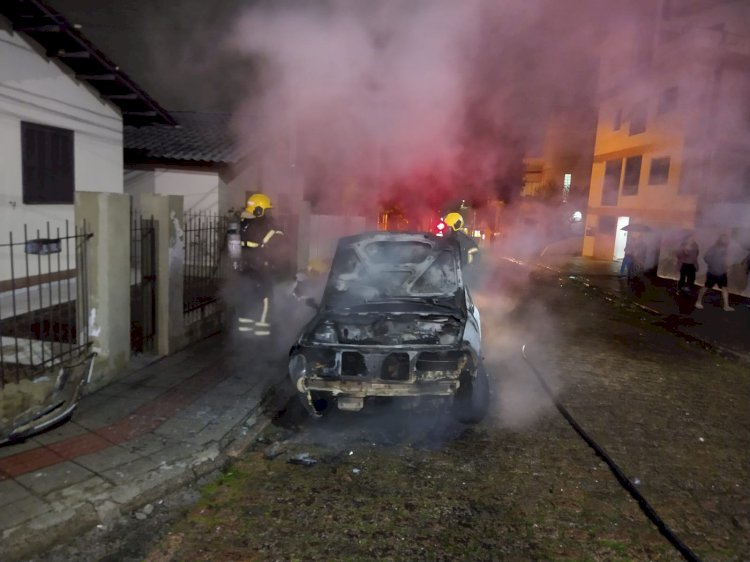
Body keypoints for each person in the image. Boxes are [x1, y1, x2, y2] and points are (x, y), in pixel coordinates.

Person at [237, 193, 285, 336]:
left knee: (248, 295)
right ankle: (263, 328)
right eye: (266, 210)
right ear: (258, 210)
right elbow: (279, 245)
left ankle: (244, 329)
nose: (268, 213)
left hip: (245, 267)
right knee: (266, 297)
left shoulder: (242, 224)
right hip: (261, 268)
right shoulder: (263, 227)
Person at [695, 233, 734, 311]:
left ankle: (726, 306)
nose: (725, 240)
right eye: (724, 238)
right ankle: (698, 302)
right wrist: (712, 265)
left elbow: (724, 260)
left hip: (722, 272)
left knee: (725, 288)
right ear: (720, 240)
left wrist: (725, 267)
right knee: (706, 287)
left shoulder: (725, 249)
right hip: (713, 272)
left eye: (726, 239)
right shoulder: (714, 248)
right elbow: (706, 257)